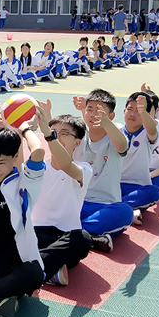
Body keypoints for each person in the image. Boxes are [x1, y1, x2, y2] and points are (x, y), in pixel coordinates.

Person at [0, 125, 46, 317]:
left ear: (15, 158)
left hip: (9, 266)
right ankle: (0, 298)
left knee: (34, 272)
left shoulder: (26, 183)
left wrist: (25, 129)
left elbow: (38, 151)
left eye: (2, 162)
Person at [31, 101, 97, 280]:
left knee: (83, 239)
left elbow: (66, 165)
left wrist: (49, 134)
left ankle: (35, 269)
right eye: (55, 133)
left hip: (66, 237)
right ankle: (49, 270)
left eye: (65, 134)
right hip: (36, 233)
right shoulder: (37, 167)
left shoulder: (84, 169)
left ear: (77, 142)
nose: (58, 137)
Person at [73, 89, 133, 242]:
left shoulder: (116, 134)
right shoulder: (78, 136)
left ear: (111, 116)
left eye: (99, 111)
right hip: (77, 203)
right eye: (89, 109)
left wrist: (106, 123)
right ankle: (90, 237)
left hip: (104, 206)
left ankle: (76, 233)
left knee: (125, 212)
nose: (93, 115)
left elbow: (122, 145)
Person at [117, 91, 159, 221]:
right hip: (114, 185)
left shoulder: (148, 134)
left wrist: (143, 112)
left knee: (154, 192)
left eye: (138, 111)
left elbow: (152, 129)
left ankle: (118, 208)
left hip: (138, 187)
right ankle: (128, 211)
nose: (132, 114)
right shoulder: (116, 131)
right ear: (124, 110)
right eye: (130, 109)